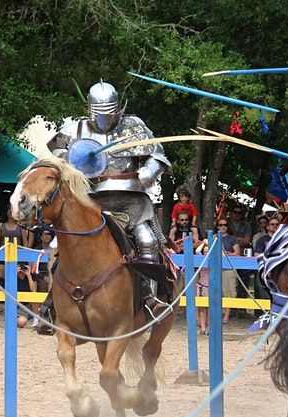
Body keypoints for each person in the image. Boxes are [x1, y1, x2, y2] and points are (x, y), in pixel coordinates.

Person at [47, 80, 172, 318]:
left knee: (146, 240)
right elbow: (58, 152)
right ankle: (52, 304)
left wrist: (145, 175)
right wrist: (74, 160)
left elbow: (157, 156)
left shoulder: (133, 126)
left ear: (118, 109)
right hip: (90, 198)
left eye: (109, 114)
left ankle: (150, 299)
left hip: (130, 197)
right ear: (90, 110)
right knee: (56, 246)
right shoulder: (76, 128)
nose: (105, 120)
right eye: (99, 114)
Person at [15, 263, 38, 328]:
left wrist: (29, 276)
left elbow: (34, 290)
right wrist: (15, 274)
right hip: (18, 306)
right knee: (21, 322)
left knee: (34, 296)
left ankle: (36, 319)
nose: (23, 268)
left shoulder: (32, 275)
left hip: (30, 306)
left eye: (24, 266)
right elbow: (9, 290)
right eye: (20, 266)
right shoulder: (12, 275)